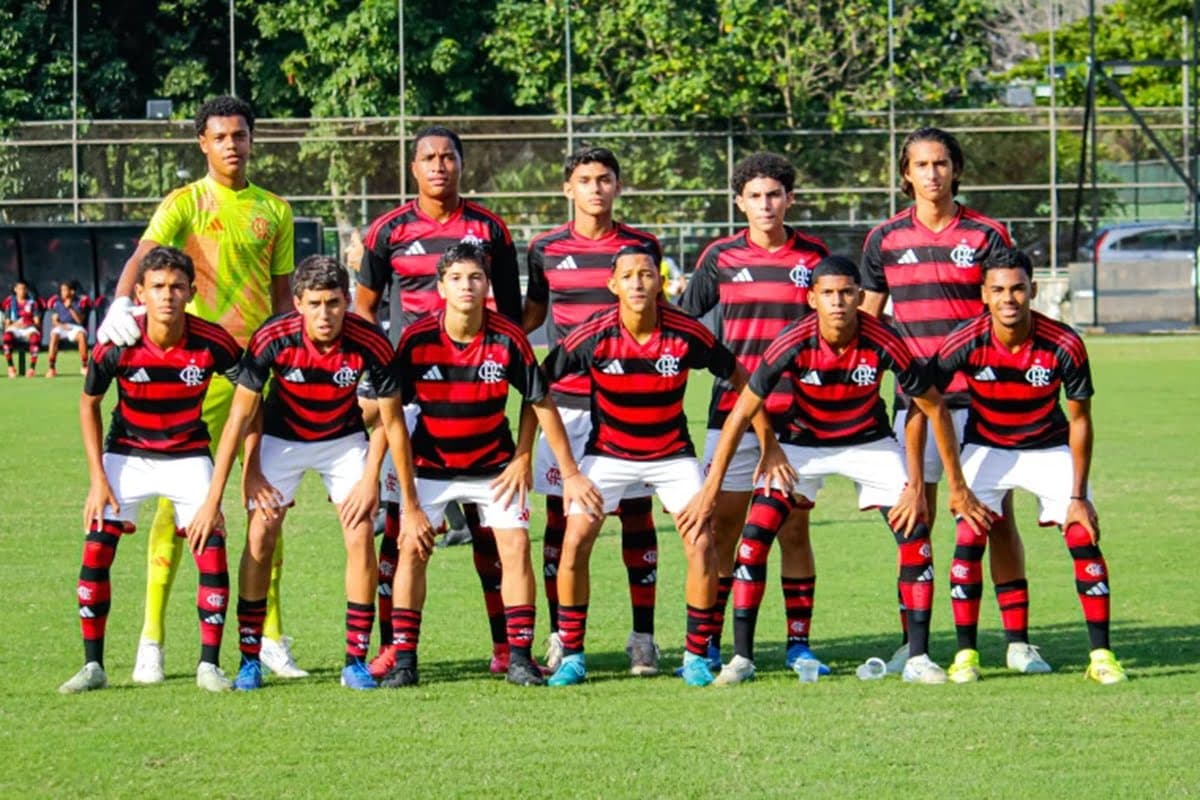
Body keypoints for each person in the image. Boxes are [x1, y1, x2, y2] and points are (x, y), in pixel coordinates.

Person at [680, 256, 992, 685]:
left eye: (846, 292)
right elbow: (741, 411)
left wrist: (940, 486)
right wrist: (713, 486)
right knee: (753, 541)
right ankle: (742, 659)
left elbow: (933, 406)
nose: (838, 301)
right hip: (802, 446)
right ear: (812, 299)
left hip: (869, 443)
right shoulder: (793, 339)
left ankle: (917, 657)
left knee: (915, 531)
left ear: (860, 297)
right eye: (828, 293)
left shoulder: (884, 337)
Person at [94, 95, 303, 683]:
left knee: (267, 507)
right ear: (203, 144)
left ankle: (270, 638)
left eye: (240, 134)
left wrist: (285, 354)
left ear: (252, 140)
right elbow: (144, 255)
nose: (232, 144)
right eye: (221, 136)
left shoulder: (275, 210)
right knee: (176, 509)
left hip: (254, 373)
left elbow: (281, 295)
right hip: (195, 374)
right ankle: (152, 640)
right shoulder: (184, 202)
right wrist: (120, 302)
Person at [541, 245, 780, 688]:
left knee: (702, 542)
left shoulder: (685, 332)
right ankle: (572, 655)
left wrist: (768, 442)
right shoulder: (594, 333)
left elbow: (743, 379)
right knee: (574, 541)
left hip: (672, 455)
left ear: (660, 282)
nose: (637, 282)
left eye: (646, 274)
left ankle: (695, 656)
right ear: (613, 284)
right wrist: (570, 471)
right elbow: (538, 387)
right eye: (628, 275)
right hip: (607, 454)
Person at [860, 126, 1047, 675]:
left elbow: (1006, 309)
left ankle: (1017, 642)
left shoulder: (987, 233)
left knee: (996, 517)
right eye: (921, 164)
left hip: (982, 399)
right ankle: (913, 643)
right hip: (915, 403)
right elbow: (869, 320)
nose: (932, 173)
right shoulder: (884, 239)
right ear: (906, 174)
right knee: (913, 518)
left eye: (941, 163)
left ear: (956, 170)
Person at [380, 243, 601, 688]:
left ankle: (518, 657)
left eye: (476, 278)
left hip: (495, 468)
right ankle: (404, 660)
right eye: (457, 278)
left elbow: (539, 401)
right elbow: (392, 418)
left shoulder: (508, 337)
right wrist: (409, 501)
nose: (467, 286)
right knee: (412, 549)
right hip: (430, 466)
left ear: (488, 287)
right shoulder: (417, 340)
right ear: (441, 287)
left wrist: (539, 462)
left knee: (515, 548)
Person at [189, 255, 411, 691]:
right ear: (298, 303)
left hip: (343, 441)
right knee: (260, 535)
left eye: (333, 303)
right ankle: (249, 659)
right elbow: (239, 417)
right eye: (314, 304)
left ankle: (354, 661)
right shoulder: (272, 337)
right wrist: (237, 481)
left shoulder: (371, 341)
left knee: (359, 533)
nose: (324, 314)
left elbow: (391, 422)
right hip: (281, 438)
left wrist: (371, 479)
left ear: (347, 301)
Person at [356, 126, 522, 678]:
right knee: (400, 530)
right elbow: (364, 309)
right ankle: (394, 648)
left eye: (448, 156)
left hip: (475, 384)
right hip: (409, 392)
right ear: (414, 167)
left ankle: (505, 647)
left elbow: (512, 312)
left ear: (461, 164)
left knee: (490, 534)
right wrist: (376, 375)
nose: (438, 165)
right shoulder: (389, 229)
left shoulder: (490, 228)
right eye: (428, 157)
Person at [931, 249, 1127, 684]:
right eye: (998, 289)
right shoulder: (965, 340)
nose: (1009, 298)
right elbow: (928, 401)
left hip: (1048, 447)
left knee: (1082, 534)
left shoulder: (1064, 342)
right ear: (984, 294)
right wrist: (956, 485)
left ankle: (1102, 656)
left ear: (1033, 290)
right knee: (969, 535)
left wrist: (1078, 496)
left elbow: (1080, 420)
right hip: (986, 446)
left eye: (1018, 288)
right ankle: (966, 656)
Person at [59, 246, 240, 694]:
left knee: (211, 548)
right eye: (157, 286)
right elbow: (88, 404)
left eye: (177, 287)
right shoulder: (117, 342)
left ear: (191, 292)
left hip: (189, 456)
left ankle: (209, 666)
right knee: (96, 549)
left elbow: (250, 395)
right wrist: (97, 479)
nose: (167, 295)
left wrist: (232, 480)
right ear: (139, 293)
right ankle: (93, 666)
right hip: (126, 454)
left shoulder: (212, 341)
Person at [679, 152, 831, 675]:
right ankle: (710, 641)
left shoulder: (814, 257)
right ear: (739, 202)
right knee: (722, 528)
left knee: (794, 531)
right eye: (755, 196)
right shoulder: (720, 257)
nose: (765, 205)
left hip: (799, 418)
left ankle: (798, 644)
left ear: (790, 199)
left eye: (774, 195)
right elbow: (685, 324)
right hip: (732, 412)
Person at [522, 146, 665, 675]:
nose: (595, 188)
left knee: (637, 516)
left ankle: (643, 638)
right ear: (568, 189)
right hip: (567, 406)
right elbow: (532, 316)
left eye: (604, 179)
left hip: (630, 402)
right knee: (560, 522)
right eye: (585, 180)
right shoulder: (545, 248)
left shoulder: (641, 247)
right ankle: (561, 636)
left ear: (617, 186)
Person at [46, 281, 90, 377]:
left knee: (81, 336)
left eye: (65, 290)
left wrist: (70, 308)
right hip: (62, 327)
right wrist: (62, 326)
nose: (62, 292)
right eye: (62, 290)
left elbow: (80, 321)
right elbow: (54, 321)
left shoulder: (80, 302)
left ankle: (84, 365)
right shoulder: (57, 303)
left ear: (72, 291)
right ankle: (51, 368)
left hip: (76, 327)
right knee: (54, 335)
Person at [3, 279, 42, 377]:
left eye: (24, 289)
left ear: (27, 290)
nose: (22, 291)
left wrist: (28, 324)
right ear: (15, 289)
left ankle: (32, 368)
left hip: (29, 328)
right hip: (14, 327)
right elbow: (7, 324)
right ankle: (11, 367)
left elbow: (37, 322)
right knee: (6, 337)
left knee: (35, 338)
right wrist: (16, 324)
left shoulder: (32, 303)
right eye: (19, 288)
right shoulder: (10, 303)